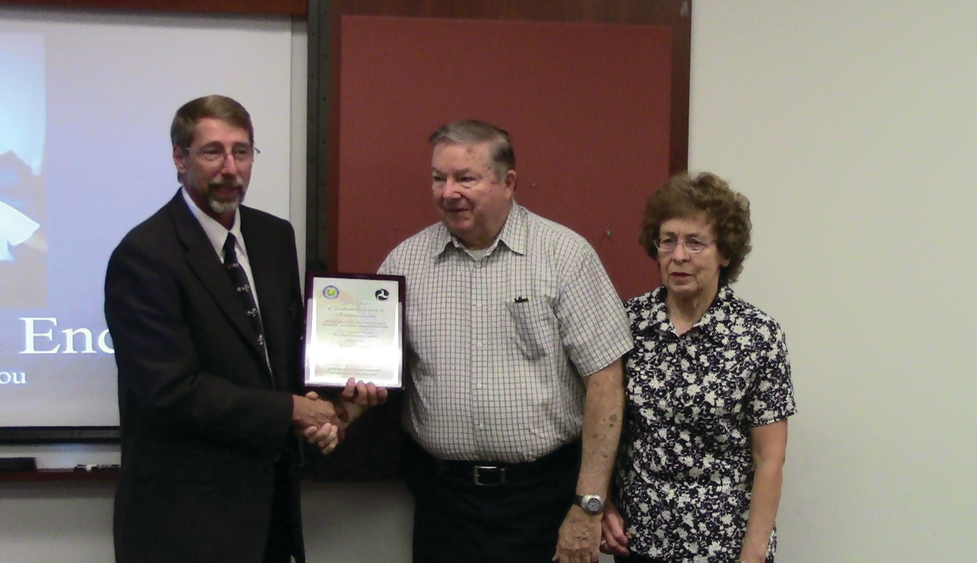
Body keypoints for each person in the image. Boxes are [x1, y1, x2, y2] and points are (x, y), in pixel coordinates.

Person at [104, 95, 384, 563]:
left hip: (270, 514)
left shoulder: (274, 237)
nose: (230, 168)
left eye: (243, 151)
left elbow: (278, 360)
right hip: (184, 524)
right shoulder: (145, 255)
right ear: (179, 157)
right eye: (212, 152)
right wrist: (292, 410)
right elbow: (172, 393)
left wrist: (332, 409)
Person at [378, 120, 633, 563]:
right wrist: (335, 412)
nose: (447, 192)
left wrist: (588, 505)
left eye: (466, 178)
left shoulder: (563, 256)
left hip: (543, 502)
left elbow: (606, 382)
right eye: (439, 178)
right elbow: (371, 363)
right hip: (443, 503)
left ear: (508, 182)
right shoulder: (406, 263)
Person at [599, 172, 797, 563]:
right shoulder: (627, 322)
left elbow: (769, 458)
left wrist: (753, 556)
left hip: (724, 545)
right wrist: (601, 504)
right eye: (668, 240)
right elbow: (600, 425)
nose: (679, 256)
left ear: (725, 253)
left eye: (695, 242)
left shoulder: (757, 334)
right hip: (640, 540)